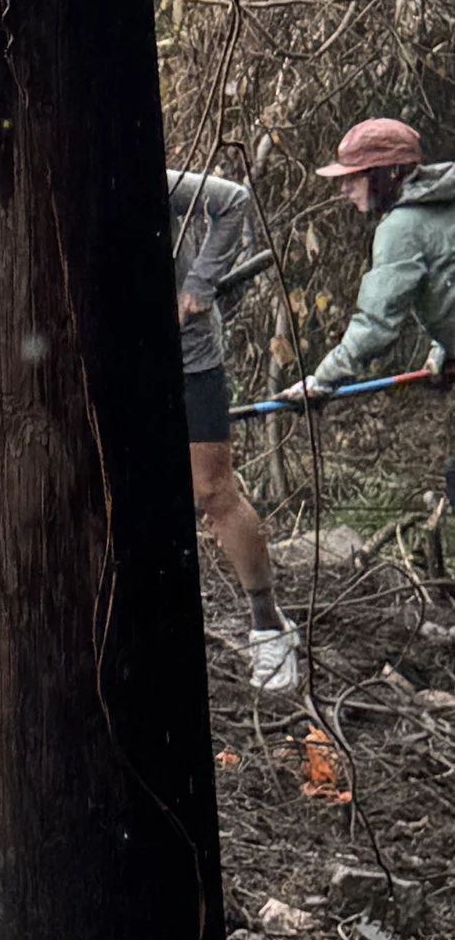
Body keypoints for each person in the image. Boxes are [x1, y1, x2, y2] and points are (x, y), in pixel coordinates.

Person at [168, 168, 298, 697]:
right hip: (114, 362)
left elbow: (235, 200)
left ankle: (269, 627)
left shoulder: (146, 172)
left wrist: (198, 284)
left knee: (211, 490)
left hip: (190, 357)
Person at [277, 118, 455, 430]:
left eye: (355, 177)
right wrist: (446, 348)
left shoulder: (400, 228)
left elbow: (377, 324)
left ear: (389, 173)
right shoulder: (442, 200)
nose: (343, 189)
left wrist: (322, 381)